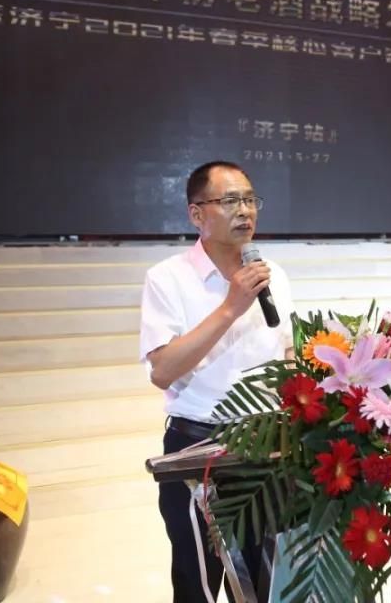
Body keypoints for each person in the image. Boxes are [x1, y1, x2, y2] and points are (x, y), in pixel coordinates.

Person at [140, 161, 295, 603]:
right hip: (197, 448)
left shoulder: (273, 273)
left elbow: (286, 353)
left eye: (249, 199)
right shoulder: (167, 278)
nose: (244, 210)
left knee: (265, 586)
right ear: (196, 214)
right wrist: (231, 307)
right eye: (229, 201)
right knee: (198, 585)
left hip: (267, 446)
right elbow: (162, 371)